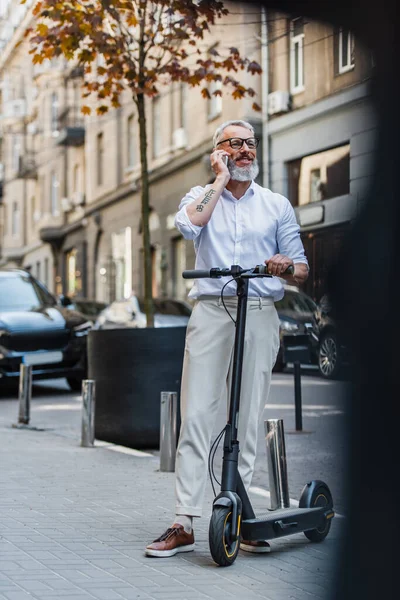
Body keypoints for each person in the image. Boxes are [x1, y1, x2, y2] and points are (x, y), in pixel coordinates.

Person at [145, 119, 309, 558]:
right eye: (236, 144)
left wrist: (283, 264)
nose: (247, 151)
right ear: (218, 151)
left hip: (258, 311)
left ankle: (236, 510)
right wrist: (219, 177)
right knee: (197, 413)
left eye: (251, 144)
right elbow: (192, 223)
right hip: (212, 311)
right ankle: (184, 520)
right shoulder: (199, 197)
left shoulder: (276, 205)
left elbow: (302, 267)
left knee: (247, 416)